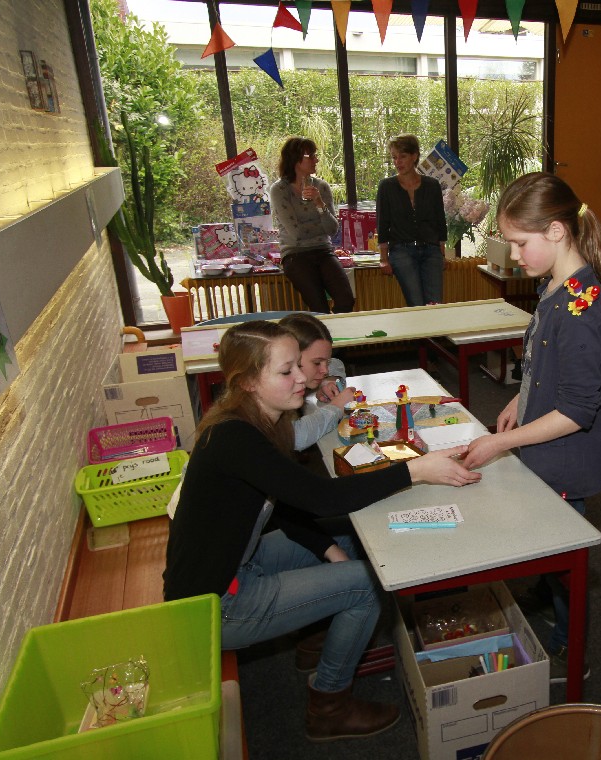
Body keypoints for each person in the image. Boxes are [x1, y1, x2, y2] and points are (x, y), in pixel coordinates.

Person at [163, 321, 480, 742]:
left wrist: (328, 547)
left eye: (300, 365)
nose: (302, 378)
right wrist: (415, 470)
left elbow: (284, 504)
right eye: (286, 371)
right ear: (249, 382)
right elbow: (321, 499)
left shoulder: (256, 421)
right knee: (370, 584)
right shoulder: (236, 438)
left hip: (238, 562)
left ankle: (316, 637)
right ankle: (329, 705)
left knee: (350, 540)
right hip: (215, 603)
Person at [461, 172, 601, 683]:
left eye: (519, 243)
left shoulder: (579, 308)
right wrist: (520, 397)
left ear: (556, 231)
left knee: (566, 558)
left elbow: (577, 411)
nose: (513, 255)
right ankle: (548, 590)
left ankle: (572, 651)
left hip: (567, 461)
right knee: (546, 541)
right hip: (546, 449)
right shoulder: (554, 286)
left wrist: (501, 441)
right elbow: (543, 365)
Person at [270, 137, 355, 314]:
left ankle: (338, 330)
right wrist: (319, 224)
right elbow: (296, 233)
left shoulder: (321, 187)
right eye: (311, 156)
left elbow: (332, 229)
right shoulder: (279, 190)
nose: (316, 160)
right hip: (295, 254)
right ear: (295, 159)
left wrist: (319, 203)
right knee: (319, 308)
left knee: (346, 300)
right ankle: (324, 331)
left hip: (323, 250)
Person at [375, 134, 447, 306]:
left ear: (414, 156)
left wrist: (442, 254)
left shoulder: (432, 185)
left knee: (435, 304)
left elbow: (440, 221)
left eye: (402, 156)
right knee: (416, 304)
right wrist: (383, 258)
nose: (397, 162)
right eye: (394, 157)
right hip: (402, 251)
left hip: (431, 251)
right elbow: (382, 224)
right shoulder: (386, 186)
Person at [278, 313, 354, 450]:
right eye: (317, 363)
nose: (325, 370)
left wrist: (328, 380)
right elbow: (296, 437)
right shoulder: (275, 390)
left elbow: (336, 363)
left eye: (326, 362)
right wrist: (336, 407)